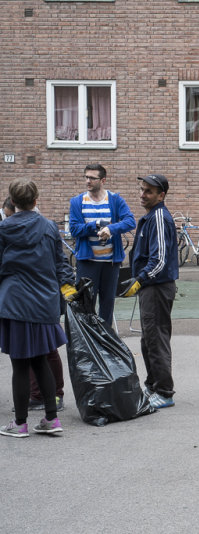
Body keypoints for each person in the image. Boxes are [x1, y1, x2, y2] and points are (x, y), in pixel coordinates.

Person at [0, 179, 76, 438]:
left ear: (11, 201)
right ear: (36, 200)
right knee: (41, 360)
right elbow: (61, 263)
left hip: (15, 301)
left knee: (20, 365)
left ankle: (20, 424)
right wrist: (68, 287)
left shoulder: (3, 228)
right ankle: (51, 419)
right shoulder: (49, 226)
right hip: (45, 301)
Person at [118, 174, 179, 410]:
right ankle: (153, 385)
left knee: (156, 340)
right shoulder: (150, 217)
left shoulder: (160, 218)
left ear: (161, 195)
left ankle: (164, 392)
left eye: (149, 192)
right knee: (148, 340)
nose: (143, 195)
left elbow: (160, 259)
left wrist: (141, 280)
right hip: (150, 288)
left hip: (157, 288)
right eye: (142, 190)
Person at [69, 163, 136, 326]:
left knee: (107, 304)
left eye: (92, 178)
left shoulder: (115, 200)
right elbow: (74, 229)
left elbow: (130, 221)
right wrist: (97, 225)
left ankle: (105, 341)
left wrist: (111, 229)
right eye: (86, 177)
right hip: (87, 262)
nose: (88, 181)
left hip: (110, 263)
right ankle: (89, 343)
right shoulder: (78, 202)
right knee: (86, 305)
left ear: (103, 180)